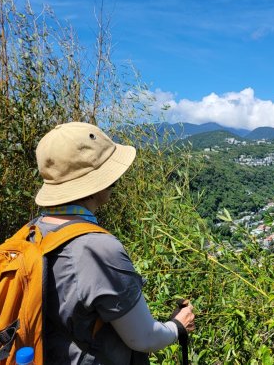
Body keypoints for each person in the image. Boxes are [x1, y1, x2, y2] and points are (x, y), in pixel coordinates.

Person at [33, 121, 195, 364]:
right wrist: (178, 326)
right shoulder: (95, 248)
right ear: (96, 182)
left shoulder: (34, 231)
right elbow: (145, 338)